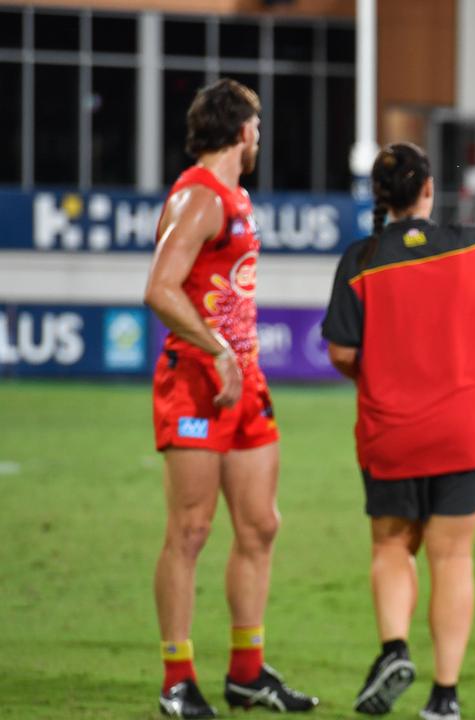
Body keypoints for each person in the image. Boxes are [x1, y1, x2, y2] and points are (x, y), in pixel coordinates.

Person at [321, 141, 475, 719]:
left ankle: (394, 648)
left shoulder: (361, 259)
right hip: (464, 431)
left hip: (391, 432)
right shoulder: (468, 245)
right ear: (427, 190)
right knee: (452, 559)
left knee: (394, 546)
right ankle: (444, 696)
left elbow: (341, 350)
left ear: (380, 198)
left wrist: (378, 371)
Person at [144, 78, 317, 717]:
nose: (260, 138)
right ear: (242, 130)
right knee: (190, 530)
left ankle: (246, 672)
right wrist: (218, 350)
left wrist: (234, 358)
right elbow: (160, 288)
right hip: (196, 380)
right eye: (259, 127)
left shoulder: (235, 196)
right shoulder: (198, 196)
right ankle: (176, 679)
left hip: (244, 380)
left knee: (261, 525)